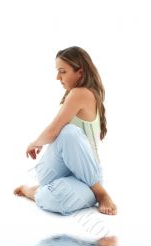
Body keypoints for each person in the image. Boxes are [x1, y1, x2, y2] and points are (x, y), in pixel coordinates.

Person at [14, 46, 117, 216]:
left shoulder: (81, 93)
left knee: (60, 199)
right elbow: (56, 129)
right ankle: (99, 192)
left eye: (62, 71)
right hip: (58, 169)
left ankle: (35, 192)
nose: (57, 77)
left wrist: (36, 143)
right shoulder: (75, 94)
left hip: (87, 175)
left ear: (80, 72)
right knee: (69, 132)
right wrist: (40, 142)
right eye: (58, 71)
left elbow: (54, 130)